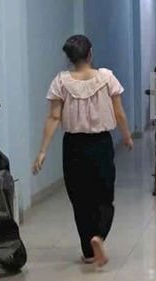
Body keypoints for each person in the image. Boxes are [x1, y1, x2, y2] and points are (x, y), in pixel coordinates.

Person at [33, 35, 133, 267]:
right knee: (104, 197)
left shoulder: (61, 81)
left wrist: (42, 151)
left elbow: (54, 117)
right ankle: (99, 236)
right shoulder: (107, 78)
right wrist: (127, 136)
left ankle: (88, 252)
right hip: (101, 144)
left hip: (73, 147)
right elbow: (119, 113)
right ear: (90, 54)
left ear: (70, 57)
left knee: (80, 199)